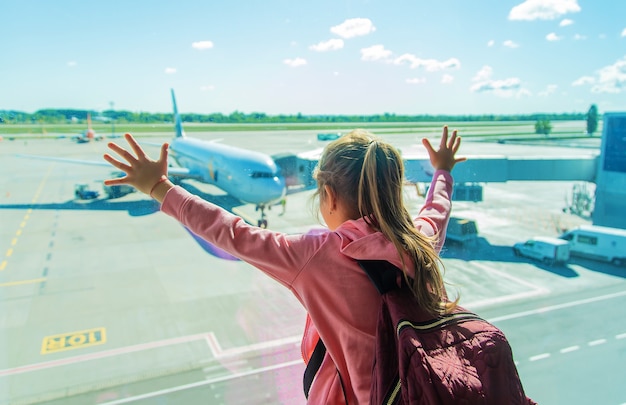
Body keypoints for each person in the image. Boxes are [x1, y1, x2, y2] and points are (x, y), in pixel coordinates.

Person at [103, 126, 465, 404]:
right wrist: (443, 172)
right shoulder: (419, 240)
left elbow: (232, 233)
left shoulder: (318, 255)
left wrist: (160, 187)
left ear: (330, 196)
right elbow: (437, 208)